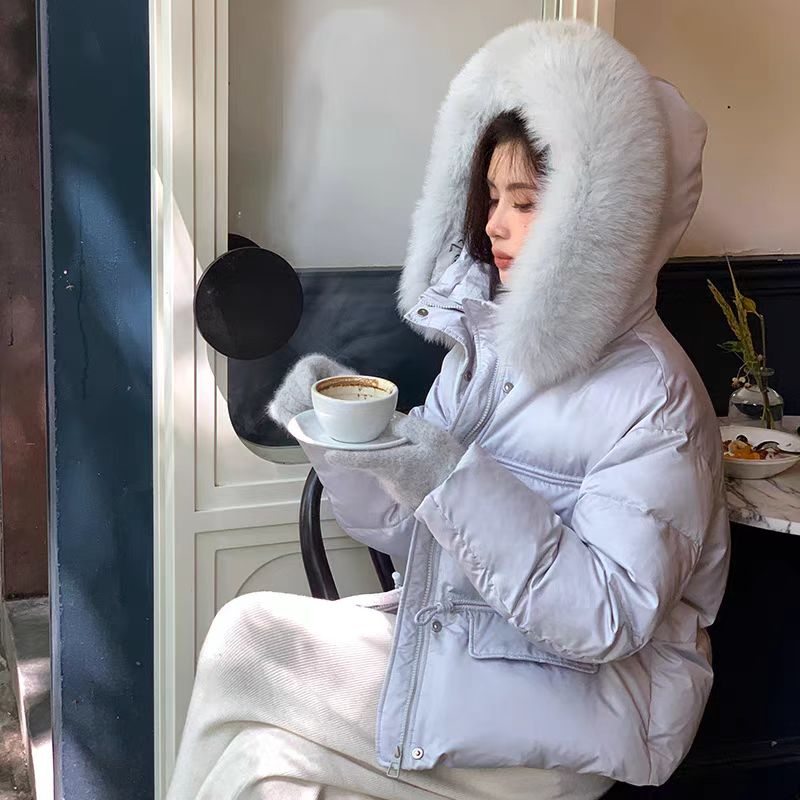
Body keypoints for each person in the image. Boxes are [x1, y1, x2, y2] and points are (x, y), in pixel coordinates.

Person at [167, 19, 730, 799]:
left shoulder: (656, 395)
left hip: (583, 711)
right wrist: (345, 444)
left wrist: (449, 473)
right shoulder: (486, 349)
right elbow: (412, 535)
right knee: (261, 766)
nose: (494, 223)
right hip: (471, 641)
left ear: (604, 221)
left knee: (248, 641)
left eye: (526, 202)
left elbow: (606, 619)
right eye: (491, 197)